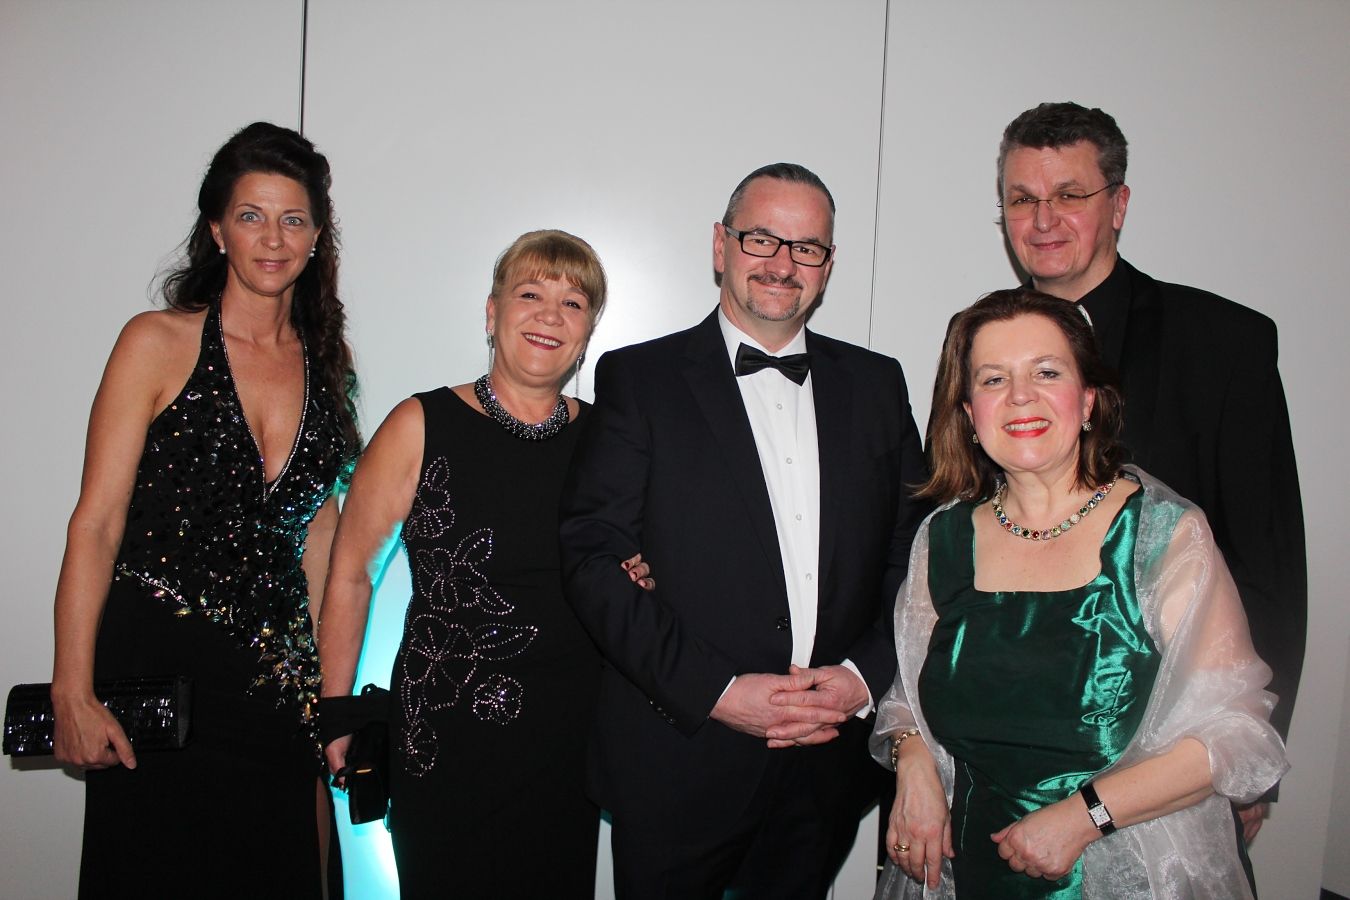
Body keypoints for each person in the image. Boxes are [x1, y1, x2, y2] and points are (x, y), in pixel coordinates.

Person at [559, 163, 930, 899]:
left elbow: (913, 555)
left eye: (806, 247)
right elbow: (593, 558)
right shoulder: (639, 378)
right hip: (678, 759)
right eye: (761, 238)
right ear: (720, 245)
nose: (782, 264)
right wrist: (718, 691)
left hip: (825, 769)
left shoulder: (878, 384)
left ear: (828, 266)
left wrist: (859, 680)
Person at [872, 288, 1287, 899]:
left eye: (1046, 372)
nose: (1020, 396)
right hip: (963, 869)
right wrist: (912, 762)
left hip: (1127, 869)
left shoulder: (1162, 535)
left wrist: (1085, 815)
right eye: (993, 379)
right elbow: (907, 695)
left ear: (1089, 399)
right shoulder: (943, 538)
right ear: (968, 412)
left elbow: (1239, 734)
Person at [51, 122, 360, 898]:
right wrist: (72, 690)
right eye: (251, 216)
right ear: (218, 230)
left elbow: (319, 537)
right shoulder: (155, 343)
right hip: (157, 683)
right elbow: (96, 523)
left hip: (278, 686)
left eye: (293, 220)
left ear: (316, 238)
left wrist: (332, 697)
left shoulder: (327, 364)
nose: (272, 238)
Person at [995, 101, 1305, 844]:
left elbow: (1267, 567)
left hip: (1168, 754)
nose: (1043, 220)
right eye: (1022, 199)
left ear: (1120, 204)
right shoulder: (978, 341)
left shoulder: (1225, 343)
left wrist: (1248, 765)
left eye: (1070, 194)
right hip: (1002, 744)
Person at [317, 230, 645, 899]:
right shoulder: (419, 423)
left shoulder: (609, 439)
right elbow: (351, 574)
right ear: (492, 313)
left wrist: (640, 577)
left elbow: (642, 566)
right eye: (531, 294)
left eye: (573, 303)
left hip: (570, 738)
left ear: (588, 331)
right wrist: (335, 710)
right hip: (446, 737)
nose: (551, 315)